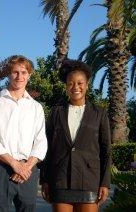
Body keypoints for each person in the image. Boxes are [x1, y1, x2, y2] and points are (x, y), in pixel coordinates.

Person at [40, 59, 111, 212]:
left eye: (80, 83)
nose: (75, 87)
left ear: (86, 85)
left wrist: (105, 183)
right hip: (60, 180)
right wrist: (44, 180)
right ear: (66, 86)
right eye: (71, 83)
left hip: (89, 181)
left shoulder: (99, 114)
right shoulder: (56, 112)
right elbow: (46, 148)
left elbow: (106, 151)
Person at [0, 55, 47, 212]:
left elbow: (40, 141)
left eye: (24, 72)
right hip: (2, 170)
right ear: (8, 74)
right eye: (15, 72)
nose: (20, 76)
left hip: (28, 171)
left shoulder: (36, 107)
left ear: (29, 75)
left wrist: (25, 167)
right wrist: (14, 164)